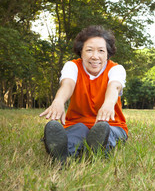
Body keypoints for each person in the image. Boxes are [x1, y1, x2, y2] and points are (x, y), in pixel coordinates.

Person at [40, 25, 128, 162]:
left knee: (105, 130)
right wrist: (58, 101)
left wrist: (109, 104)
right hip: (78, 123)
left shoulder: (116, 69)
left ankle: (94, 153)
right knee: (78, 131)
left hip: (112, 125)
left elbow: (114, 87)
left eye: (101, 51)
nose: (95, 56)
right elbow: (67, 84)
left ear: (107, 54)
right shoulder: (72, 66)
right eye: (89, 50)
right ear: (81, 52)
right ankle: (61, 155)